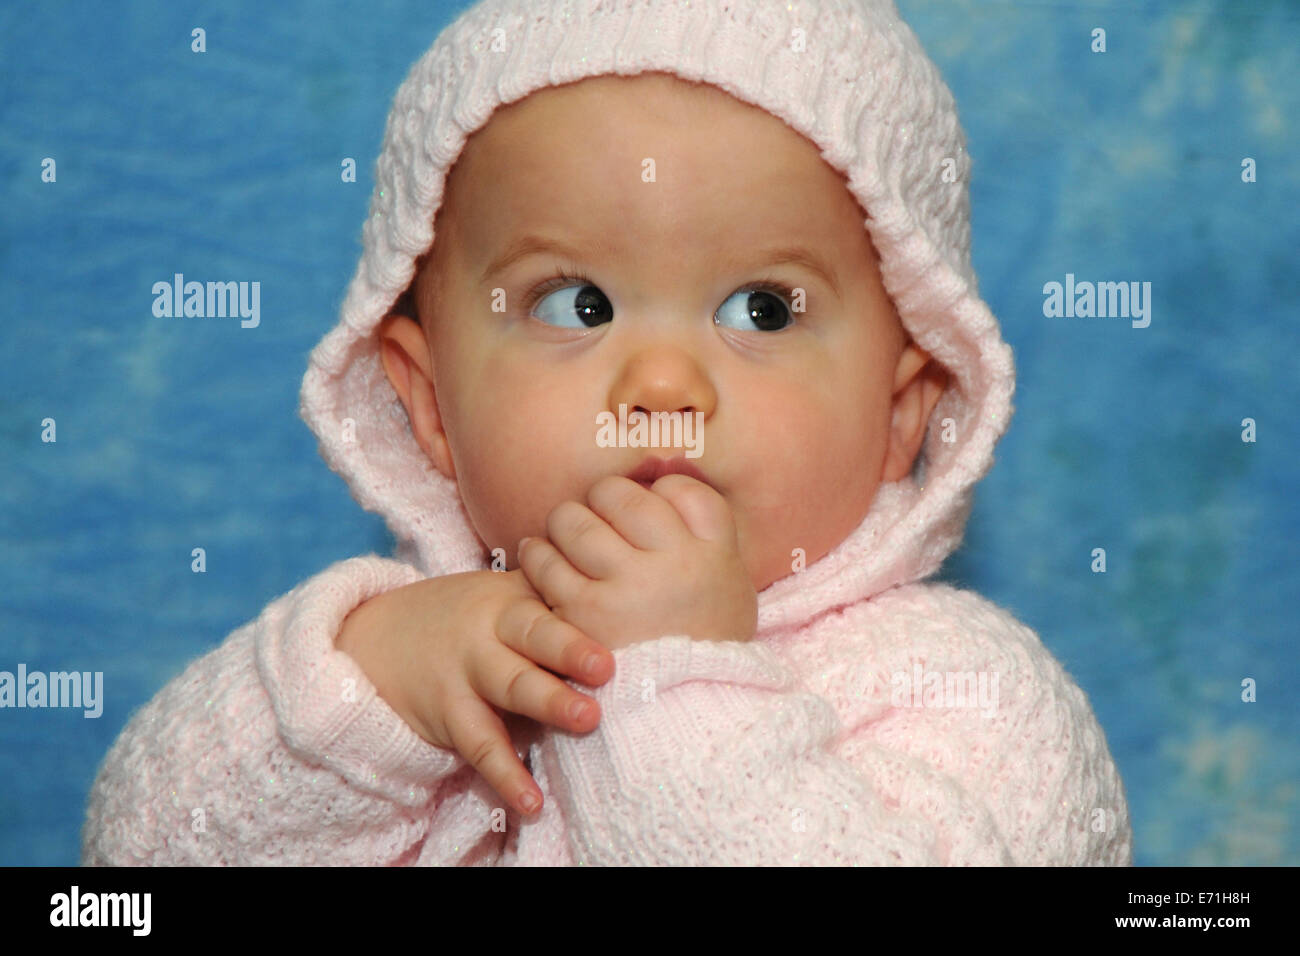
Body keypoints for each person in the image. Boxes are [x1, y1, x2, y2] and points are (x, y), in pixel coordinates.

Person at [82, 0, 1133, 865]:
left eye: (763, 309)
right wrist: (365, 699)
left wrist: (671, 687)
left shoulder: (965, 695)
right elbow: (127, 868)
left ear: (901, 413)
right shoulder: (411, 656)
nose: (662, 381)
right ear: (430, 404)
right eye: (574, 303)